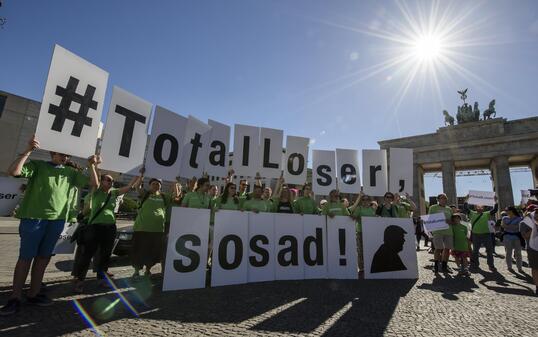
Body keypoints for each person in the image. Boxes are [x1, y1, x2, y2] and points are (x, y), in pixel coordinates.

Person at [0, 135, 99, 316]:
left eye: (67, 156)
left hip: (57, 220)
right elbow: (13, 171)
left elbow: (94, 184)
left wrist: (92, 165)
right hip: (33, 218)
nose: (65, 158)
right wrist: (29, 150)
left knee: (43, 258)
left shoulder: (70, 172)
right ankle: (14, 298)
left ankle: (33, 293)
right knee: (25, 258)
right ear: (53, 152)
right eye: (62, 154)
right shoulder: (38, 166)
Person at [72, 163, 142, 292]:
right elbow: (95, 181)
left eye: (112, 181)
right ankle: (79, 280)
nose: (111, 182)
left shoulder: (113, 193)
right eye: (108, 180)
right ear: (102, 181)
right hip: (94, 228)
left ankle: (101, 279)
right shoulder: (96, 192)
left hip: (110, 228)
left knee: (105, 255)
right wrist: (93, 165)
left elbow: (129, 187)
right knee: (87, 255)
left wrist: (139, 174)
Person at [131, 176, 180, 278]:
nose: (156, 185)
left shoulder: (163, 196)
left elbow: (176, 195)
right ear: (149, 185)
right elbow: (136, 187)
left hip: (157, 229)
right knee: (139, 251)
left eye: (158, 184)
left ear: (160, 186)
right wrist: (141, 176)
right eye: (153, 183)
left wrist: (175, 183)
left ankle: (148, 270)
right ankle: (136, 271)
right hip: (142, 228)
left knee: (152, 252)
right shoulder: (145, 194)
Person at [463, 197, 498, 271]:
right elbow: (466, 208)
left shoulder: (487, 213)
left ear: (483, 208)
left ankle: (491, 265)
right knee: (475, 251)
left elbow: (495, 210)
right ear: (475, 207)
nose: (479, 208)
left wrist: (495, 201)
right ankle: (476, 264)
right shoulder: (471, 213)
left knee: (489, 251)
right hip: (476, 235)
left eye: (481, 206)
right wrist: (466, 200)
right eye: (477, 206)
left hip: (486, 235)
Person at [349, 192, 376, 273]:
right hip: (361, 232)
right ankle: (361, 267)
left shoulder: (372, 209)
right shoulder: (359, 208)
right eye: (363, 199)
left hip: (370, 233)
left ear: (370, 201)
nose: (365, 201)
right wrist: (355, 217)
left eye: (367, 199)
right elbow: (353, 217)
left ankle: (370, 265)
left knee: (370, 249)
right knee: (361, 250)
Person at [428, 193, 453, 274]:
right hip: (437, 231)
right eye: (442, 198)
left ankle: (444, 266)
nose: (444, 200)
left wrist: (451, 221)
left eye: (445, 198)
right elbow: (430, 218)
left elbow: (452, 220)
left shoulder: (449, 209)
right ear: (438, 200)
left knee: (447, 249)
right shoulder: (433, 207)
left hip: (448, 231)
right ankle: (436, 266)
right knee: (438, 249)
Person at [520, 210, 538, 295]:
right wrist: (534, 227)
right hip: (532, 249)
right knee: (535, 268)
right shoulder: (524, 223)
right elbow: (525, 236)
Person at [501, 206, 524, 272]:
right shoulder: (504, 218)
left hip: (517, 237)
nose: (506, 211)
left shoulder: (519, 218)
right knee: (508, 253)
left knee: (518, 253)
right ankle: (509, 267)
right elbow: (503, 226)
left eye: (507, 210)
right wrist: (512, 227)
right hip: (507, 237)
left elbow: (518, 227)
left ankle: (519, 268)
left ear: (511, 211)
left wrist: (508, 227)